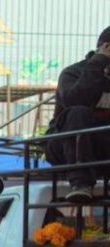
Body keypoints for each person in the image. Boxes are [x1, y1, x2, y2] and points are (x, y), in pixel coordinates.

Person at [44, 26, 110, 203]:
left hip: (102, 145)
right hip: (66, 144)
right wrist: (98, 64)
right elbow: (75, 100)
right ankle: (80, 183)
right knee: (78, 112)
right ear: (105, 48)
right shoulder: (72, 73)